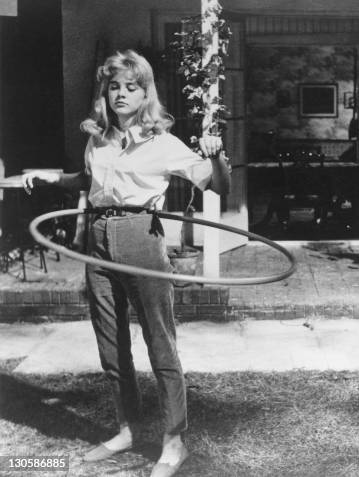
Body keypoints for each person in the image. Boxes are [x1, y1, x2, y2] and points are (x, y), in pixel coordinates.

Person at [22, 50, 231, 476]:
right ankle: (127, 429)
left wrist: (218, 154)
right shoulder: (97, 138)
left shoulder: (163, 144)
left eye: (130, 87)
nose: (121, 94)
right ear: (106, 92)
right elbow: (88, 181)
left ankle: (174, 442)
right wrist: (52, 180)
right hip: (97, 238)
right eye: (114, 86)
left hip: (140, 239)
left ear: (145, 93)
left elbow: (219, 187)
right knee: (111, 345)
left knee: (160, 343)